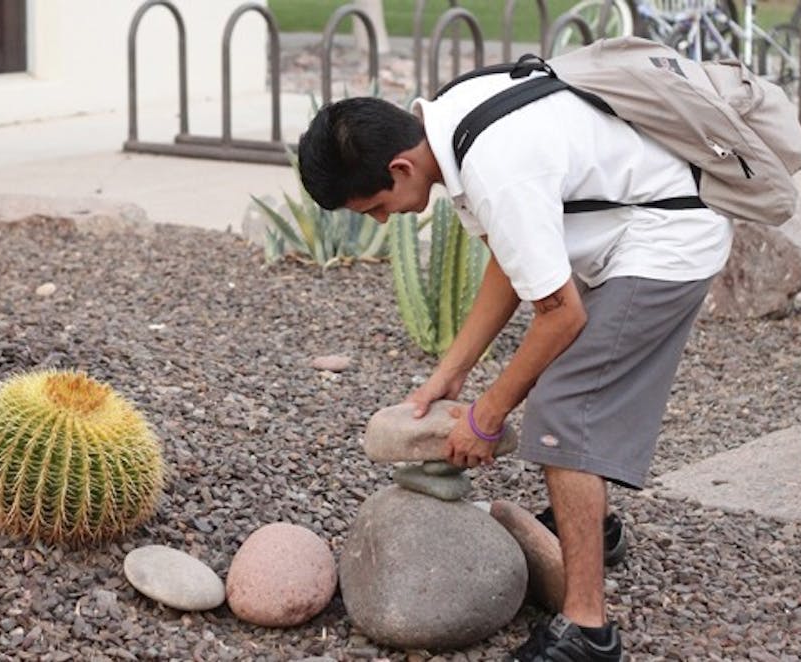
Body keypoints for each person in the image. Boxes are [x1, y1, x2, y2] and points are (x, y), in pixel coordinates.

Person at [296, 69, 733, 662]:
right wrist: (452, 372)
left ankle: (588, 632)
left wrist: (488, 413)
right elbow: (512, 259)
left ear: (400, 168)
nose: (380, 221)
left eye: (375, 206)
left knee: (563, 411)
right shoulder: (452, 120)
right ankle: (589, 531)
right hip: (630, 229)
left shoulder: (494, 168)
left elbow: (559, 314)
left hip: (668, 240)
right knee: (562, 402)